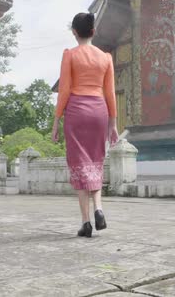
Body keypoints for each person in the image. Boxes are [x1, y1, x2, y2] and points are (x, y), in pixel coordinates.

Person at [52, 12, 119, 238]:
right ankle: (99, 208)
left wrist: (56, 120)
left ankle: (86, 222)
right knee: (95, 162)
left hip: (77, 111)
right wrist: (114, 122)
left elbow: (64, 90)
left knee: (80, 165)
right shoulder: (106, 58)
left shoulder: (70, 55)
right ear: (94, 31)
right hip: (99, 110)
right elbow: (110, 92)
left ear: (74, 32)